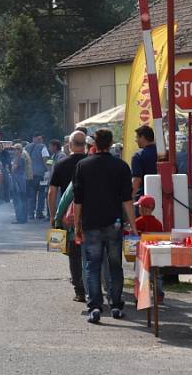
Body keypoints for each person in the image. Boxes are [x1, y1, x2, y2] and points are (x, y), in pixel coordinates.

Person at [73, 128, 138, 324]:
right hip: (114, 223)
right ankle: (116, 305)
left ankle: (94, 307)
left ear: (93, 144)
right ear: (110, 144)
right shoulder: (121, 166)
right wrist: (133, 226)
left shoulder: (82, 165)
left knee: (92, 266)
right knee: (115, 265)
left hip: (91, 223)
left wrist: (77, 225)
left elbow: (78, 201)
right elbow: (127, 199)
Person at [48, 130, 88, 302]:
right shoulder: (90, 162)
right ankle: (94, 285)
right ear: (84, 145)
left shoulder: (61, 164)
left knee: (74, 253)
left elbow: (52, 192)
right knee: (93, 251)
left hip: (68, 215)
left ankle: (79, 289)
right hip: (91, 211)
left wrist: (53, 215)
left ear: (70, 145)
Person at [25, 133, 49, 220]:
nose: (41, 141)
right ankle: (39, 213)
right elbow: (45, 159)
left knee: (31, 194)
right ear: (35, 138)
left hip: (29, 175)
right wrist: (50, 168)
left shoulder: (27, 147)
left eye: (41, 139)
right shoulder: (43, 147)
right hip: (40, 175)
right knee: (42, 194)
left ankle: (30, 213)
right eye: (39, 139)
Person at [131, 125, 157, 202]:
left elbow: (137, 180)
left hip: (143, 199)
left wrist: (131, 196)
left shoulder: (138, 156)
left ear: (142, 137)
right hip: (163, 197)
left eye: (137, 137)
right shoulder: (165, 153)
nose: (136, 140)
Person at [10, 143, 31, 223]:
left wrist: (13, 165)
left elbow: (13, 169)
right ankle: (22, 218)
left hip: (18, 182)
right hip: (20, 181)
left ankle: (20, 219)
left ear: (19, 150)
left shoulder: (19, 158)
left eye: (15, 149)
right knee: (21, 200)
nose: (13, 151)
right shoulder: (19, 158)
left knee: (19, 201)